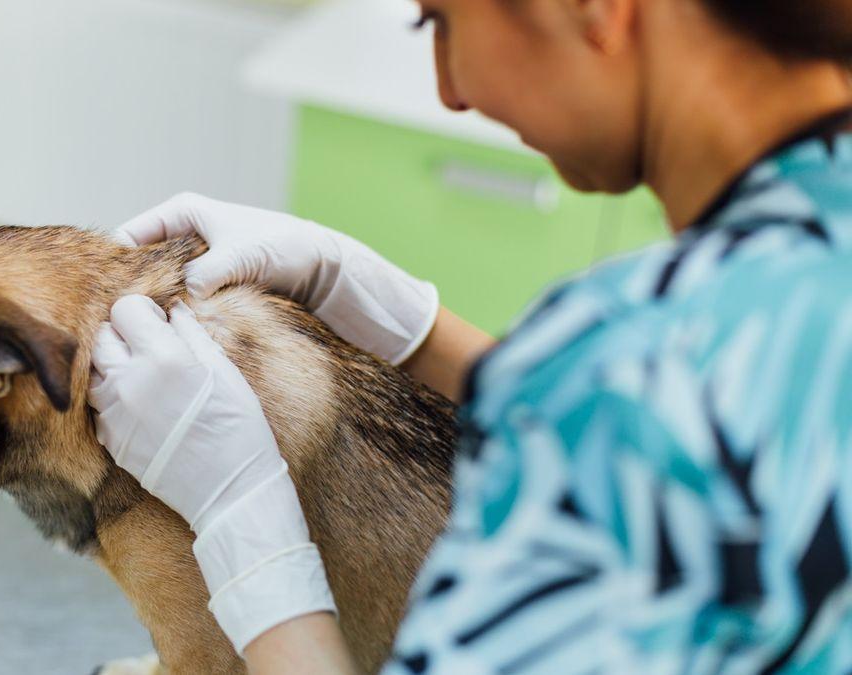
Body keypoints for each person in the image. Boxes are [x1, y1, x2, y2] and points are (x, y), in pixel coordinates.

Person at [86, 0, 852, 672]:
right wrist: (403, 321)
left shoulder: (633, 366)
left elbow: (639, 405)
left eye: (441, 22)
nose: (453, 92)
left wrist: (244, 524)